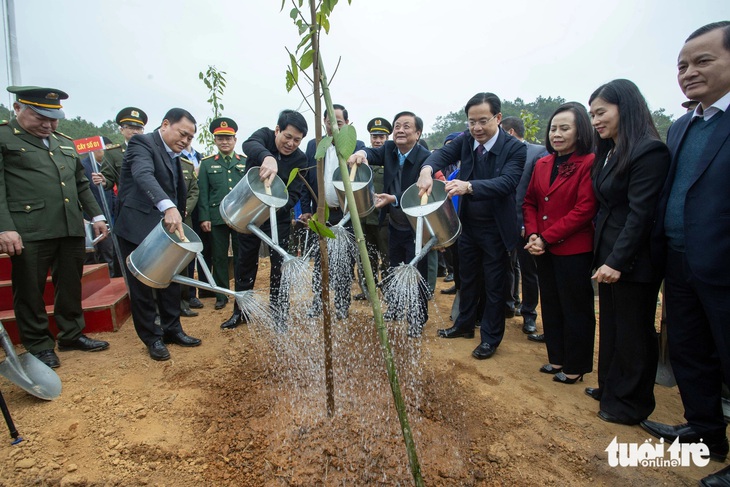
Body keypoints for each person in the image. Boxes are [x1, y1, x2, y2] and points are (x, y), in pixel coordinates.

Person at [641, 22, 730, 484]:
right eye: (682, 65)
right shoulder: (682, 125)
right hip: (678, 260)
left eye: (703, 61)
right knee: (690, 351)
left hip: (723, 265)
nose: (689, 72)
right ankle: (705, 432)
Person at [0, 86, 110, 369]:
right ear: (18, 109)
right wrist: (4, 228)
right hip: (28, 229)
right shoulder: (4, 137)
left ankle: (72, 333)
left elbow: (80, 184)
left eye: (54, 119)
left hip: (69, 225)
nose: (48, 124)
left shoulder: (64, 142)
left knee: (71, 283)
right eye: (40, 117)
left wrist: (96, 216)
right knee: (29, 289)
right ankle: (39, 344)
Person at [583, 79, 671, 424]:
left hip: (634, 258)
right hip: (608, 252)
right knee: (613, 327)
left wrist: (618, 260)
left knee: (634, 331)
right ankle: (610, 388)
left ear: (627, 108)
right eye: (591, 115)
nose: (595, 121)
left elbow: (641, 214)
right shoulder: (610, 152)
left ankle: (631, 403)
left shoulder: (649, 150)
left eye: (601, 112)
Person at [418, 92, 526, 359]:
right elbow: (440, 155)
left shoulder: (515, 148)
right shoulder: (467, 141)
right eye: (471, 122)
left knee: (494, 284)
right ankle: (464, 325)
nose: (476, 128)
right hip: (467, 226)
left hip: (497, 229)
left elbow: (507, 183)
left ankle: (490, 338)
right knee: (467, 278)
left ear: (498, 118)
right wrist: (426, 170)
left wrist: (469, 186)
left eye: (483, 121)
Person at [114, 108, 202, 361]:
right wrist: (169, 206)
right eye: (182, 134)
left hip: (165, 230)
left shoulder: (174, 155)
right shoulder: (142, 143)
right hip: (136, 226)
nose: (185, 141)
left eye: (190, 138)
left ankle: (173, 329)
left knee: (171, 280)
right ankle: (152, 338)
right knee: (142, 286)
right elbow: (143, 175)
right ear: (165, 124)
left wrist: (179, 211)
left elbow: (177, 188)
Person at [523, 102, 598, 385]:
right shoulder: (543, 162)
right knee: (551, 302)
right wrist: (532, 233)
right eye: (553, 128)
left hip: (573, 248)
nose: (557, 133)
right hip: (541, 246)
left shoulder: (589, 161)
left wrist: (546, 237)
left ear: (580, 131)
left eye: (565, 128)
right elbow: (530, 201)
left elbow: (584, 209)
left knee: (575, 306)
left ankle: (576, 365)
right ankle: (556, 356)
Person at [220, 109, 308, 329]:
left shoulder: (301, 159)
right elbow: (249, 144)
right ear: (277, 130)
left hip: (278, 219)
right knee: (245, 263)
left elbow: (295, 192)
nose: (291, 143)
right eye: (287, 137)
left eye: (297, 140)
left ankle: (279, 314)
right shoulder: (264, 138)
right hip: (250, 217)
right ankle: (241, 311)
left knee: (280, 266)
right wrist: (267, 157)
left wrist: (276, 207)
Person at [348, 111, 432, 337]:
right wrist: (361, 153)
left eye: (407, 126)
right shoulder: (389, 150)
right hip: (394, 223)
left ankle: (417, 318)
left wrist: (393, 199)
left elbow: (420, 192)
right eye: (397, 126)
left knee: (416, 273)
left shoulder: (426, 158)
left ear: (418, 132)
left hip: (417, 225)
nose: (400, 130)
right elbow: (372, 153)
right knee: (394, 268)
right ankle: (394, 308)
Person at [300, 104, 365, 320]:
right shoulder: (314, 145)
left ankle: (341, 306)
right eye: (330, 121)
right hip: (322, 214)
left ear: (347, 124)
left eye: (339, 122)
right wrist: (308, 209)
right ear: (324, 123)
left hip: (345, 215)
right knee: (320, 261)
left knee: (344, 263)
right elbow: (306, 178)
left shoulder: (357, 146)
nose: (333, 125)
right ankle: (318, 303)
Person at [501, 116, 548, 337]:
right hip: (502, 223)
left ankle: (529, 314)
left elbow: (540, 194)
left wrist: (529, 226)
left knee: (529, 271)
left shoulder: (538, 153)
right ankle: (508, 304)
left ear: (509, 132)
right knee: (505, 266)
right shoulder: (498, 153)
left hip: (526, 225)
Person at [198, 118, 246, 310]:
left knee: (241, 255)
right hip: (216, 217)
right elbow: (203, 192)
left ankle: (241, 292)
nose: (224, 142)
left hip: (239, 217)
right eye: (220, 138)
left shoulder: (243, 162)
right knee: (218, 256)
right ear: (215, 141)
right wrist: (204, 217)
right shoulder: (207, 164)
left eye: (228, 138)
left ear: (235, 140)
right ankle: (221, 294)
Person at [353, 116, 392, 301]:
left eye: (381, 137)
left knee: (387, 258)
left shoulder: (391, 158)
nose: (377, 140)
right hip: (364, 218)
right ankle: (367, 291)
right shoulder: (363, 157)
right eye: (374, 136)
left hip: (384, 219)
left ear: (387, 139)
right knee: (365, 258)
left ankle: (388, 291)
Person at [81, 136, 117, 277]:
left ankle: (112, 282)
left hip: (108, 218)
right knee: (90, 257)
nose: (107, 153)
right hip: (88, 220)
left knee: (108, 254)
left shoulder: (106, 167)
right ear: (95, 149)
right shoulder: (83, 167)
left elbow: (111, 192)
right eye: (105, 149)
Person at [92, 107, 148, 192]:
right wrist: (104, 182)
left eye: (139, 128)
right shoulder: (112, 153)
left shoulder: (151, 150)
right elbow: (109, 179)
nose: (135, 132)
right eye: (131, 128)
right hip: (127, 201)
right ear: (122, 130)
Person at [179, 154, 199, 318]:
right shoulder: (150, 161)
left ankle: (184, 302)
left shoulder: (187, 165)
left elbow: (194, 190)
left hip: (183, 220)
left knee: (185, 260)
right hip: (156, 220)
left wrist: (186, 209)